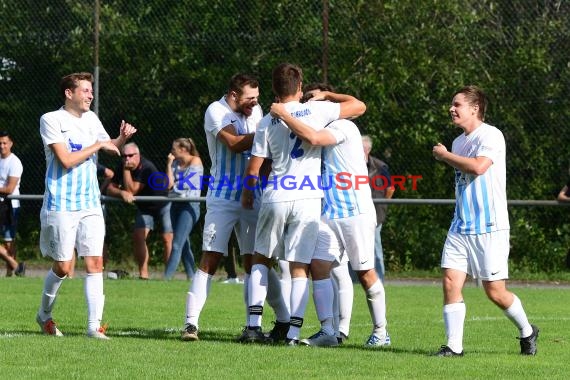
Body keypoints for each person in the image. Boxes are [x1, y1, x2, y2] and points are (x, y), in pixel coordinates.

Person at [240, 64, 366, 345]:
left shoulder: (266, 121)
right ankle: (293, 333)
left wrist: (248, 193)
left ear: (274, 89)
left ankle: (253, 325)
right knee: (300, 266)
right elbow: (358, 106)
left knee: (262, 258)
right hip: (308, 197)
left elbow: (254, 168)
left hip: (276, 193)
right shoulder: (317, 110)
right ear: (299, 87)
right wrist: (328, 96)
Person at [268, 83, 389, 347]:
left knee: (365, 272)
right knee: (319, 266)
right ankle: (328, 331)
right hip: (329, 212)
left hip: (354, 212)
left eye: (313, 103)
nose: (308, 108)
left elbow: (312, 138)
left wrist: (285, 114)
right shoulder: (322, 123)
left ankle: (381, 332)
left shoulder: (342, 127)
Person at [432, 85, 539, 356]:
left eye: (457, 104)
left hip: (489, 226)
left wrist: (445, 156)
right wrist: (450, 154)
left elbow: (479, 167)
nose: (451, 108)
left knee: (495, 292)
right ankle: (454, 347)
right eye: (451, 104)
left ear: (474, 108)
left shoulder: (491, 135)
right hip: (460, 225)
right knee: (450, 282)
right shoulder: (458, 142)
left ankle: (527, 331)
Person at [181, 73, 289, 342]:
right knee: (211, 258)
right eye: (249, 99)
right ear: (233, 94)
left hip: (253, 195)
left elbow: (262, 156)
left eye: (257, 99)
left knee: (258, 261)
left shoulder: (257, 113)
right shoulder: (215, 110)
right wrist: (267, 129)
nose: (254, 103)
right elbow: (234, 142)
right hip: (222, 196)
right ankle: (191, 324)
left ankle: (281, 320)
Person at [36, 72, 136, 338]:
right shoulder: (51, 119)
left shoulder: (91, 118)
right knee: (64, 267)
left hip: (90, 203)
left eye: (91, 91)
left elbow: (109, 146)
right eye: (85, 91)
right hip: (61, 203)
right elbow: (66, 160)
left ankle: (94, 327)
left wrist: (121, 139)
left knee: (95, 262)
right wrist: (99, 145)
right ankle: (44, 315)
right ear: (69, 93)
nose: (90, 95)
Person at [106, 142, 173, 280]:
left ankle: (169, 276)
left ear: (138, 155)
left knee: (167, 238)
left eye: (130, 156)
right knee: (138, 236)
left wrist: (125, 171)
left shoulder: (146, 166)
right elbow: (109, 189)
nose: (127, 159)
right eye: (124, 156)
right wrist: (121, 193)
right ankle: (144, 275)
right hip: (145, 207)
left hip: (163, 204)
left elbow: (132, 190)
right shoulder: (123, 165)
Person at [164, 138, 202, 280]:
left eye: (174, 149)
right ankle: (192, 277)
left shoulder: (195, 161)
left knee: (176, 244)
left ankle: (166, 279)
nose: (171, 152)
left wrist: (174, 187)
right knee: (184, 244)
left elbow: (187, 186)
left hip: (189, 205)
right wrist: (168, 165)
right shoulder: (174, 163)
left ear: (183, 150)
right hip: (175, 205)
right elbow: (168, 185)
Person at [362, 135, 394, 282]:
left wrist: (383, 204)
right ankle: (355, 279)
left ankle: (379, 278)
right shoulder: (350, 165)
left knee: (375, 246)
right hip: (355, 211)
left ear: (367, 149)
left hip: (375, 212)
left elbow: (390, 188)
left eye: (361, 148)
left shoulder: (380, 167)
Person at [0, 131, 25, 277]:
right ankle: (16, 266)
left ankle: (11, 274)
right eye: (0, 143)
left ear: (11, 144)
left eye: (5, 143)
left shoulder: (15, 162)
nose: (2, 146)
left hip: (10, 205)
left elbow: (9, 188)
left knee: (9, 240)